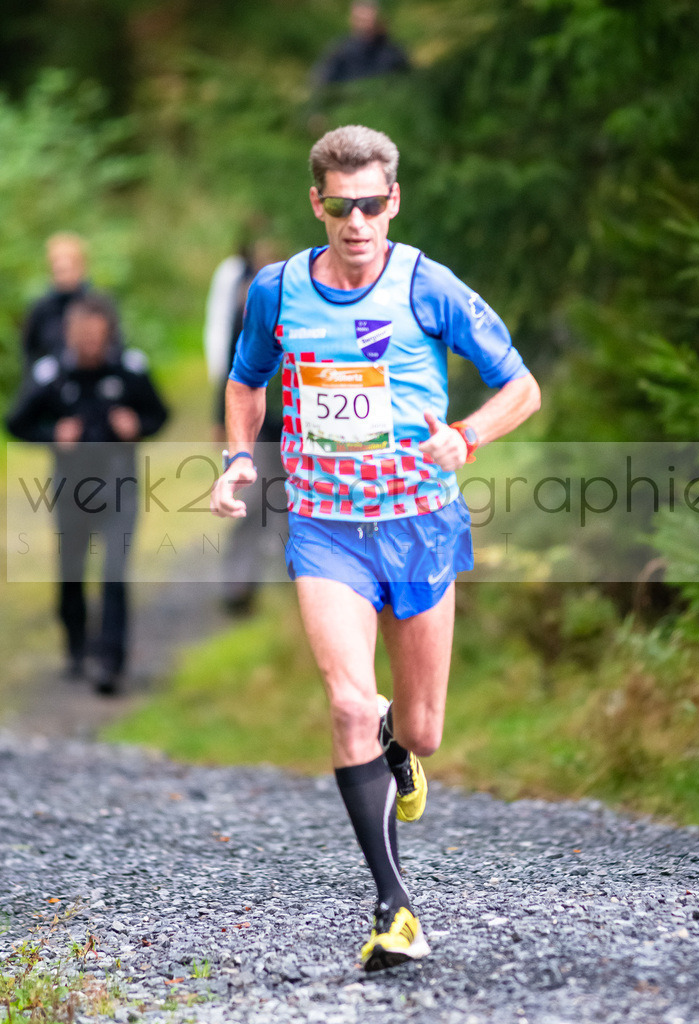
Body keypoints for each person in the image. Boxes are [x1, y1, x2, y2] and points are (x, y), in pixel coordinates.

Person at [210, 125, 540, 971]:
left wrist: (466, 437)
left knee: (420, 731)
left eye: (370, 204)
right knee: (351, 706)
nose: (355, 221)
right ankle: (395, 910)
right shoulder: (277, 290)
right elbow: (246, 381)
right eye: (339, 205)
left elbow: (521, 388)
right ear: (316, 203)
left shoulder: (428, 285)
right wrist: (240, 456)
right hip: (325, 527)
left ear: (393, 201)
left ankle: (398, 748)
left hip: (420, 523)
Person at [6, 293, 169, 695]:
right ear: (70, 336)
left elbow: (159, 413)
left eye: (97, 339)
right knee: (71, 571)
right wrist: (53, 434)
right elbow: (16, 422)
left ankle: (110, 661)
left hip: (119, 485)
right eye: (84, 341)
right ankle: (77, 647)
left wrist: (137, 425)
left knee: (114, 571)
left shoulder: (128, 369)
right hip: (71, 488)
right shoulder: (52, 374)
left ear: (108, 334)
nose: (91, 348)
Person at [204, 237, 286, 613]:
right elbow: (233, 367)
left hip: (300, 425)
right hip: (261, 425)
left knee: (292, 505)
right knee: (252, 500)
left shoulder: (309, 303)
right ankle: (238, 585)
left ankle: (297, 585)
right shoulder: (250, 305)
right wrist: (218, 418)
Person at [21, 232, 122, 370]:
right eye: (59, 268)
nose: (63, 274)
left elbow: (116, 346)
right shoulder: (42, 308)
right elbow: (30, 351)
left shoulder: (99, 305)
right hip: (53, 379)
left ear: (82, 266)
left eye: (68, 267)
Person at [311, 1, 409, 90]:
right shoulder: (340, 52)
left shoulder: (393, 53)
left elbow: (406, 84)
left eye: (368, 20)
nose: (365, 25)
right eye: (361, 19)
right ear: (352, 20)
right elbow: (320, 83)